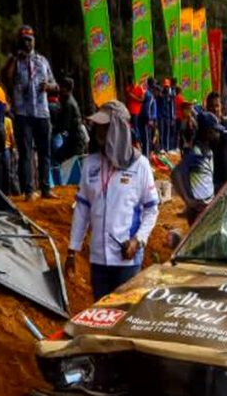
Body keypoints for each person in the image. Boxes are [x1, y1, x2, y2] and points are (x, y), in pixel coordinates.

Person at [66, 100, 159, 301]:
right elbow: (82, 210)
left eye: (105, 127)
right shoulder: (90, 164)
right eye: (98, 126)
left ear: (119, 129)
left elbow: (152, 209)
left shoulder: (140, 166)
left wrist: (138, 240)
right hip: (98, 260)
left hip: (127, 261)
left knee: (123, 316)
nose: (99, 132)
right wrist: (73, 250)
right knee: (101, 315)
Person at [2, 25, 57, 200]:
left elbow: (55, 84)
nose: (27, 43)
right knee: (25, 152)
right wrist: (13, 58)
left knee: (45, 152)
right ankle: (28, 191)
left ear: (34, 41)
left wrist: (48, 87)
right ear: (19, 41)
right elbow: (6, 77)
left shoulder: (42, 61)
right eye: (24, 39)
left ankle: (46, 189)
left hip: (42, 112)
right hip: (23, 113)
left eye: (30, 39)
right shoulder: (15, 62)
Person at [206, 92, 227, 191]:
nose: (215, 109)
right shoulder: (203, 128)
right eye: (211, 106)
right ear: (207, 108)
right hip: (211, 179)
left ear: (221, 107)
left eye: (217, 106)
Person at [53, 77, 84, 164]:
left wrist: (52, 130)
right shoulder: (69, 101)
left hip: (75, 141)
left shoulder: (68, 104)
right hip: (73, 139)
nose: (59, 90)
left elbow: (64, 126)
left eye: (61, 87)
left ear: (66, 88)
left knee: (72, 164)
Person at [158, 78, 174, 152]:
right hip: (161, 116)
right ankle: (162, 148)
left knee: (167, 133)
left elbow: (172, 107)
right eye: (165, 86)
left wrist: (173, 117)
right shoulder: (160, 95)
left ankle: (167, 148)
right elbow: (157, 106)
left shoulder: (171, 96)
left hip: (168, 116)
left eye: (167, 86)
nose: (166, 88)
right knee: (161, 132)